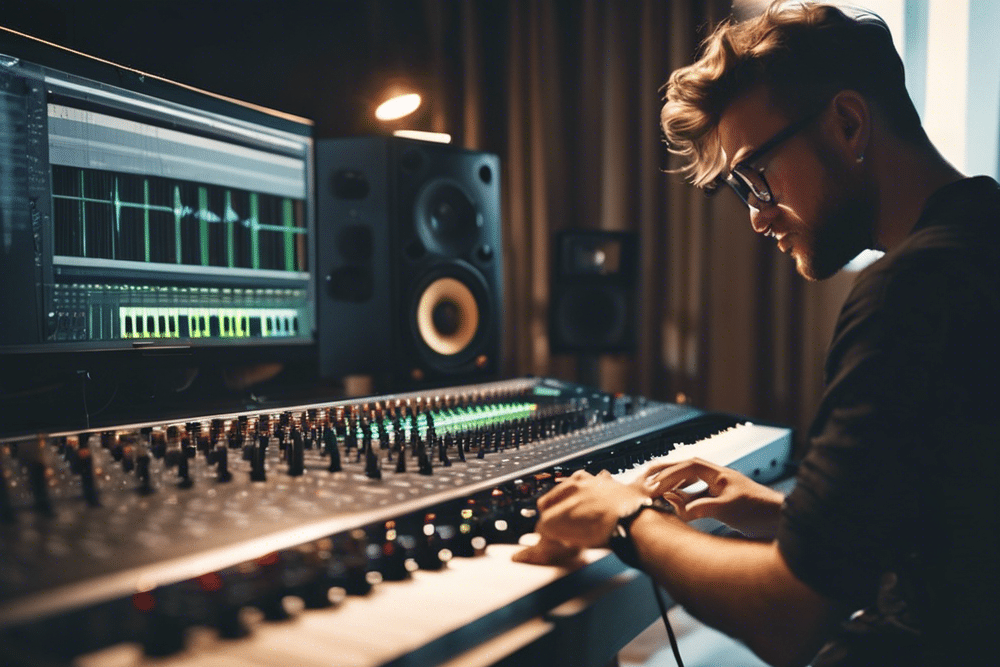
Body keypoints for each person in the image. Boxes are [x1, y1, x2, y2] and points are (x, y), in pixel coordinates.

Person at [514, 2, 999, 666]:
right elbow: (959, 527)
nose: (758, 216)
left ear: (849, 123)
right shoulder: (979, 238)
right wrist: (787, 516)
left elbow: (790, 619)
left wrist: (625, 518)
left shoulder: (914, 292)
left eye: (756, 176)